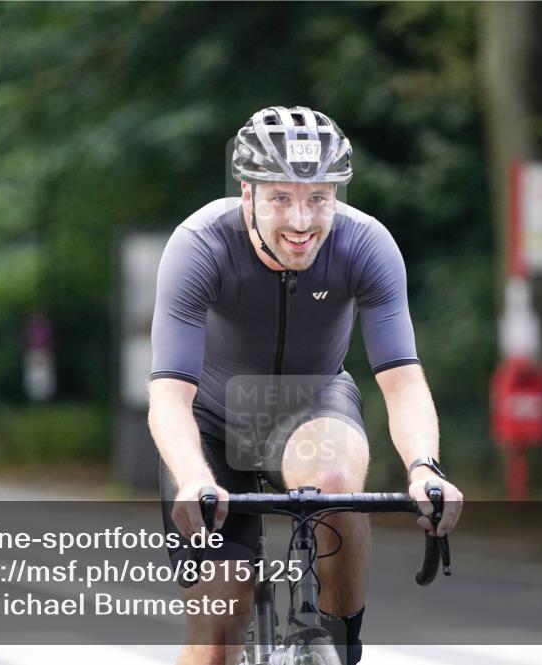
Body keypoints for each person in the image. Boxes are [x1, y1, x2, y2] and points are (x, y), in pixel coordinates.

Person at [149, 106, 464, 665]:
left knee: (337, 486)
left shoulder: (366, 245)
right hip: (211, 428)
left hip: (311, 408)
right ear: (247, 194)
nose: (301, 220)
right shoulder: (199, 245)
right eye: (280, 199)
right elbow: (170, 395)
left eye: (318, 198)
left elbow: (403, 381)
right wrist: (195, 477)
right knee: (218, 632)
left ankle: (339, 646)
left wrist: (424, 468)